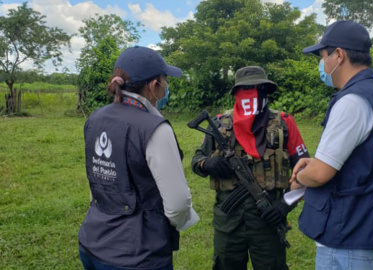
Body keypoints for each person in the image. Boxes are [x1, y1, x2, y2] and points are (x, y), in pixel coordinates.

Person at [289, 20, 373, 270]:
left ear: (338, 55)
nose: (322, 64)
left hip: (350, 232)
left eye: (323, 56)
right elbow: (364, 157)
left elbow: (319, 174)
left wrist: (300, 177)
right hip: (371, 220)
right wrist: (315, 163)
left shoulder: (352, 101)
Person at [78, 46, 199, 270]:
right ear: (154, 85)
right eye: (165, 80)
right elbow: (178, 203)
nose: (166, 87)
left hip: (92, 242)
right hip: (138, 255)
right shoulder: (154, 128)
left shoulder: (96, 118)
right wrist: (177, 222)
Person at [191, 66, 310, 270]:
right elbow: (196, 161)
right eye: (247, 88)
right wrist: (208, 163)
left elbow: (306, 173)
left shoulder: (284, 124)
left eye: (258, 88)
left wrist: (284, 205)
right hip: (227, 221)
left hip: (268, 218)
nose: (253, 93)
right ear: (237, 93)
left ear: (266, 91)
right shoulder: (219, 124)